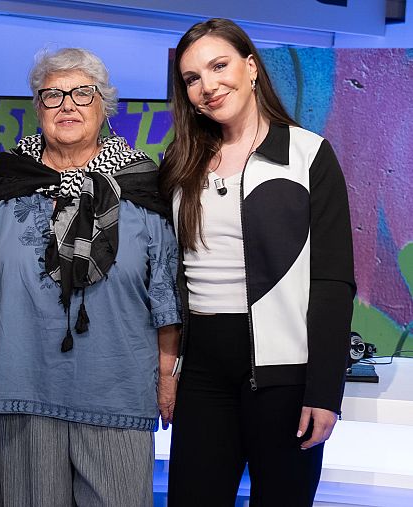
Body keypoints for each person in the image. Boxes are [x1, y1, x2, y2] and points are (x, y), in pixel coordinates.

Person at [160, 18, 356, 506]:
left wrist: (324, 391)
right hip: (202, 372)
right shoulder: (179, 161)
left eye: (219, 66)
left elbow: (333, 281)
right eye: (192, 78)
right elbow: (167, 271)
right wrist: (167, 368)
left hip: (285, 374)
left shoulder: (309, 154)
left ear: (251, 68)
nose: (208, 86)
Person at [0, 47, 180, 506]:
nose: (67, 105)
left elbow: (166, 293)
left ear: (103, 105)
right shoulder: (4, 186)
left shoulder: (143, 186)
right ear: (38, 108)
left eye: (82, 93)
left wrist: (168, 375)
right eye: (53, 95)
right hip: (20, 394)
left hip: (118, 396)